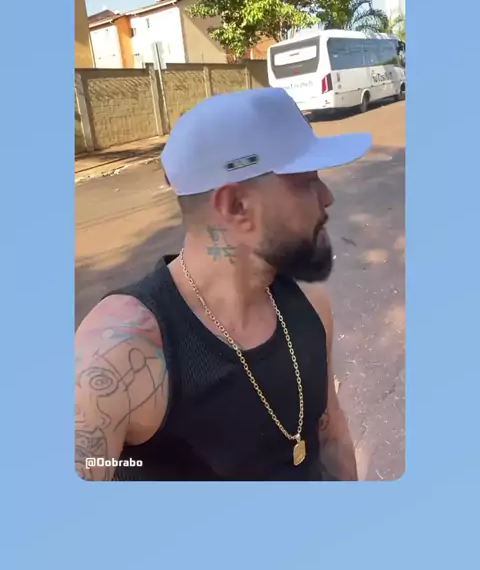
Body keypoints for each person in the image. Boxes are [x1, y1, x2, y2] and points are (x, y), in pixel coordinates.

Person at [75, 87, 371, 480]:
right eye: (306, 180)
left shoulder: (311, 306)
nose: (327, 196)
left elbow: (331, 437)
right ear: (236, 207)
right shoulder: (122, 350)